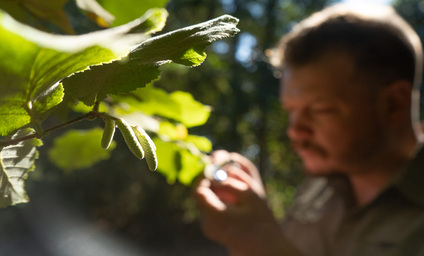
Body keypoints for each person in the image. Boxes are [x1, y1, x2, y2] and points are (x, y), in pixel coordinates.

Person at [194, 3, 424, 256]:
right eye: (291, 111)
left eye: (320, 110)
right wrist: (252, 228)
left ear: (393, 104)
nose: (295, 131)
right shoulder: (319, 188)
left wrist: (264, 246)